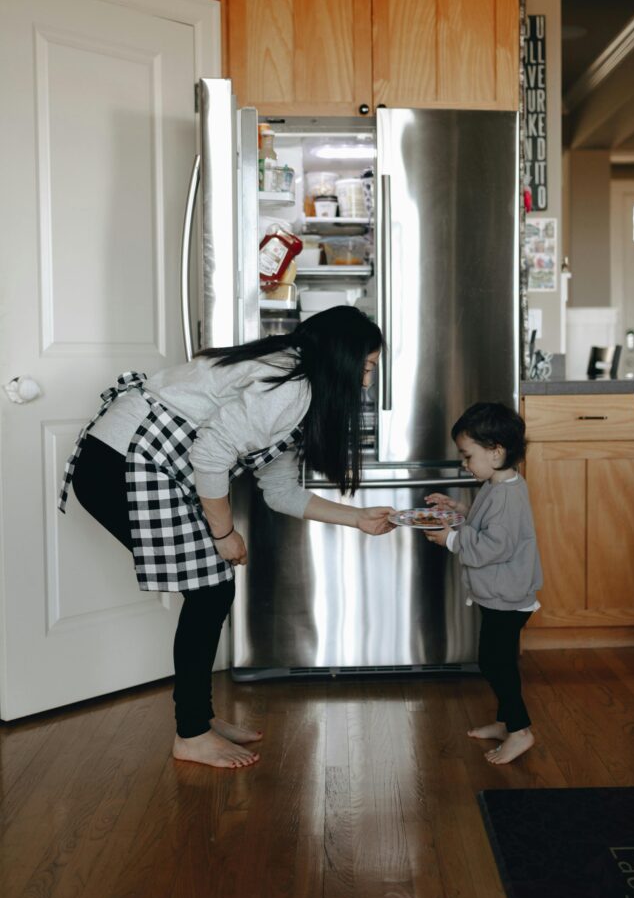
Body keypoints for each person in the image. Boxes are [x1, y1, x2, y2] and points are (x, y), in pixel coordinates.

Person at [58, 306, 395, 770]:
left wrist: (357, 519)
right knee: (211, 589)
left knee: (211, 591)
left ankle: (198, 720)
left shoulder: (294, 386)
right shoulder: (290, 387)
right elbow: (212, 454)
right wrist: (224, 533)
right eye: (367, 367)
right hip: (121, 465)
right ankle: (191, 733)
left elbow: (280, 492)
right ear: (340, 358)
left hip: (141, 465)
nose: (366, 382)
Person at [423, 402, 542, 765]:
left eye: (467, 456)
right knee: (496, 660)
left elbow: (494, 545)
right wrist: (458, 510)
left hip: (507, 597)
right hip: (501, 594)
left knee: (495, 664)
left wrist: (453, 540)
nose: (464, 463)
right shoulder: (500, 483)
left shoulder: (505, 496)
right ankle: (507, 722)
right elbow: (487, 523)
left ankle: (520, 731)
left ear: (496, 452)